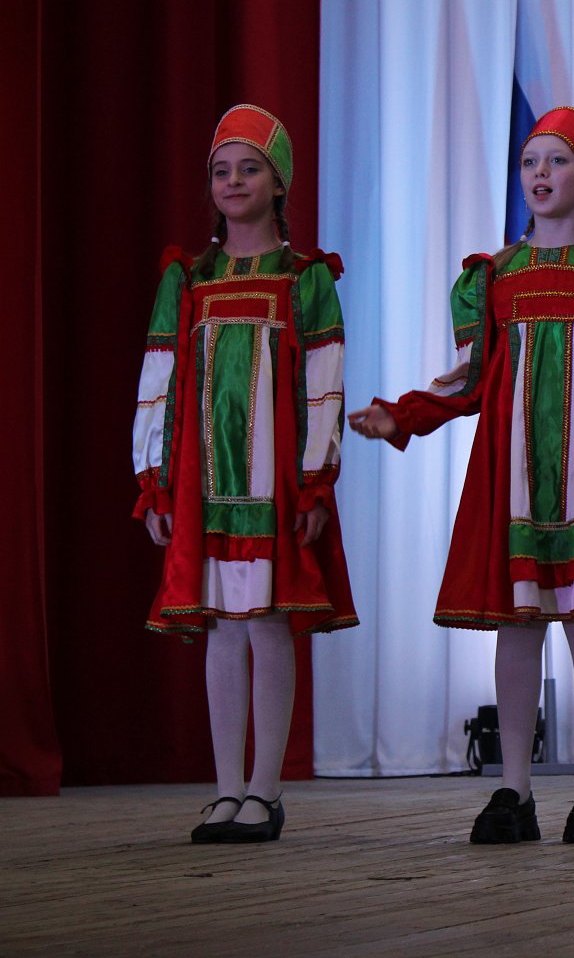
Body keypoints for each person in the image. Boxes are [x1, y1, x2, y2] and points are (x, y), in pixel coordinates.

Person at [348, 107, 574, 844]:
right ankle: (512, 787)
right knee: (517, 628)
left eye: (557, 161)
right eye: (529, 161)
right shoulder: (493, 276)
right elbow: (469, 378)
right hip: (512, 471)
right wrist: (404, 415)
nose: (540, 173)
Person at [134, 104, 358, 843]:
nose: (233, 182)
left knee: (266, 622)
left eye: (249, 168)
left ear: (278, 181)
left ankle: (266, 788)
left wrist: (315, 479)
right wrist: (154, 479)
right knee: (223, 630)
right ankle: (226, 789)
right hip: (204, 482)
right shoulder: (189, 278)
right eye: (221, 171)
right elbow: (160, 380)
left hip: (274, 483)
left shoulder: (305, 278)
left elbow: (324, 383)